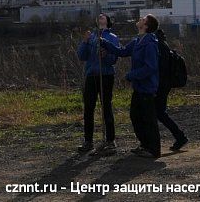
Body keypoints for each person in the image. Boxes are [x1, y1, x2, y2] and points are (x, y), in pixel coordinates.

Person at [101, 14, 161, 158]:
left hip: (147, 88)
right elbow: (122, 52)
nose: (140, 19)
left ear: (146, 26)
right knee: (136, 116)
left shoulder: (150, 44)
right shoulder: (137, 41)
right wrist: (104, 42)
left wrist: (131, 75)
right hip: (139, 87)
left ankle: (153, 149)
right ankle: (144, 144)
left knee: (148, 119)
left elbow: (150, 67)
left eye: (143, 19)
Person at [76, 14, 119, 155]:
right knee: (88, 108)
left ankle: (110, 140)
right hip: (91, 74)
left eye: (103, 16)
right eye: (98, 17)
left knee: (106, 106)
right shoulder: (91, 37)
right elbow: (82, 56)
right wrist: (85, 42)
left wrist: (106, 55)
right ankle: (88, 141)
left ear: (107, 21)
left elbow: (114, 58)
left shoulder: (112, 37)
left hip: (106, 75)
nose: (100, 18)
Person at [155, 28, 188, 151]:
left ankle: (180, 137)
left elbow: (160, 68)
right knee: (160, 113)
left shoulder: (158, 46)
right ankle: (180, 137)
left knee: (159, 113)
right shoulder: (164, 45)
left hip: (161, 85)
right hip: (165, 84)